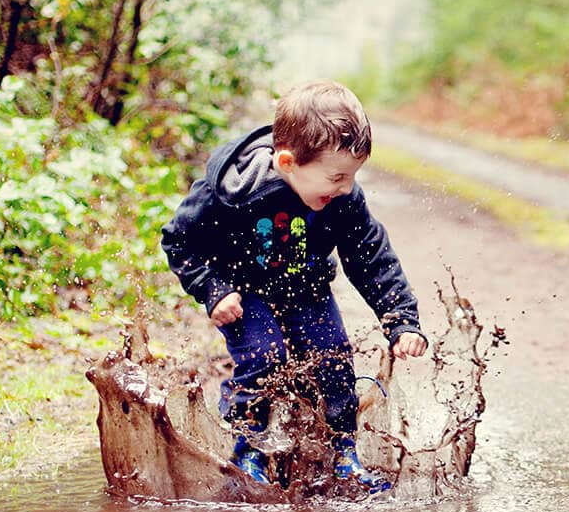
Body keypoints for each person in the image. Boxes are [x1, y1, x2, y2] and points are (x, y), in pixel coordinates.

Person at [161, 79, 427, 489]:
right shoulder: (233, 192)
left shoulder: (343, 199)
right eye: (336, 177)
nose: (345, 188)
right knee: (264, 358)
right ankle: (247, 452)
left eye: (352, 176)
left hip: (307, 290)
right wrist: (213, 289)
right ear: (287, 163)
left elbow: (370, 257)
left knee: (332, 357)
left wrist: (401, 320)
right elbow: (180, 241)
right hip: (244, 293)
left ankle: (342, 451)